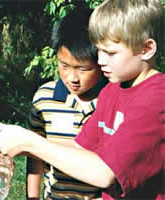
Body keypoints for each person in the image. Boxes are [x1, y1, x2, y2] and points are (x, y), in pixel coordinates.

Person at [0, 0, 165, 199]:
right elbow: (79, 148)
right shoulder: (112, 91)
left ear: (146, 49)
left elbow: (104, 173)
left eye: (110, 53)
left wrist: (28, 142)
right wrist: (18, 140)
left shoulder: (155, 100)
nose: (101, 61)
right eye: (99, 50)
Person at [26, 9, 107, 200]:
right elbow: (34, 155)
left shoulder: (113, 101)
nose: (72, 78)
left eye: (83, 69)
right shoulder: (44, 99)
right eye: (64, 65)